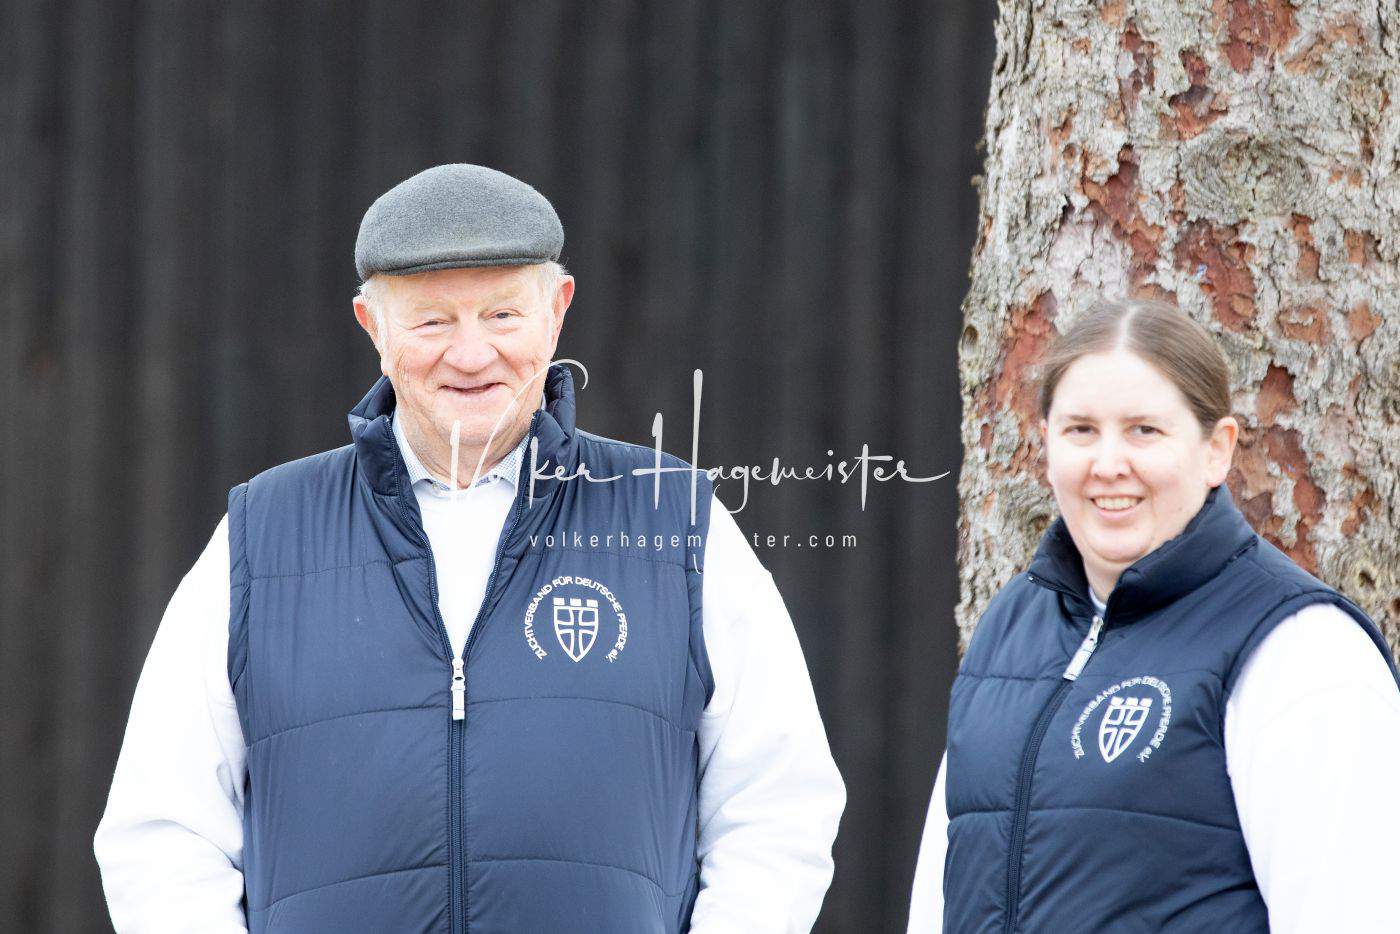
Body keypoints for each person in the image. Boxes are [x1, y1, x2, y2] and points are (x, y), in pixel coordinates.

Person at [95, 164, 845, 933]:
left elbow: (777, 804)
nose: (471, 354)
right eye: (431, 322)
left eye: (502, 314)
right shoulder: (264, 535)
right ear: (372, 326)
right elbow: (162, 832)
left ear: (557, 312)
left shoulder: (674, 518)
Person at [907, 298, 1400, 932]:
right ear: (1047, 444)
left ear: (1217, 449)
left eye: (1144, 430)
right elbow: (937, 898)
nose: (1109, 464)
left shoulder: (1301, 649)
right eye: (1081, 430)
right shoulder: (1009, 627)